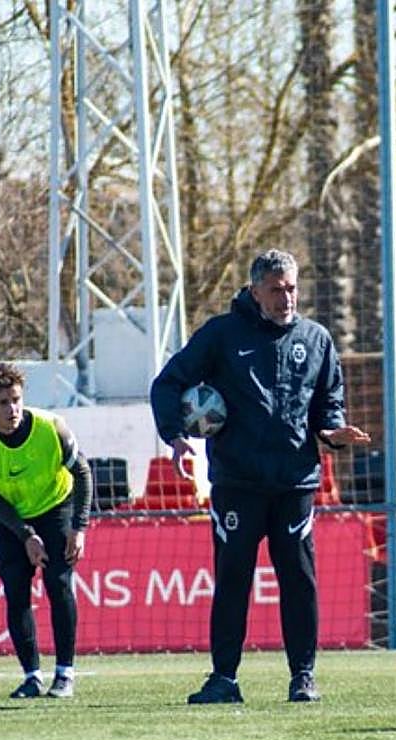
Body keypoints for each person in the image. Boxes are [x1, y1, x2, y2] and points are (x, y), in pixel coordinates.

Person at [150, 249, 370, 705]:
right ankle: (224, 679)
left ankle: (303, 677)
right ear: (255, 291)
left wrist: (332, 432)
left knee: (299, 580)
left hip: (295, 483)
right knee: (232, 579)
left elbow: (329, 402)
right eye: (276, 289)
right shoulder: (222, 334)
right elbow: (168, 383)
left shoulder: (316, 339)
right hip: (237, 482)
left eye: (291, 288)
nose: (285, 297)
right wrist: (174, 435)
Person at [0, 363, 92, 699]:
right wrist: (24, 535)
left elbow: (84, 474)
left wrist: (79, 529)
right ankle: (31, 676)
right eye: (3, 402)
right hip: (13, 520)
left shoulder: (53, 428)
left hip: (56, 509)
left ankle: (65, 674)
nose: (12, 409)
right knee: (15, 591)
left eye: (16, 399)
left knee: (58, 583)